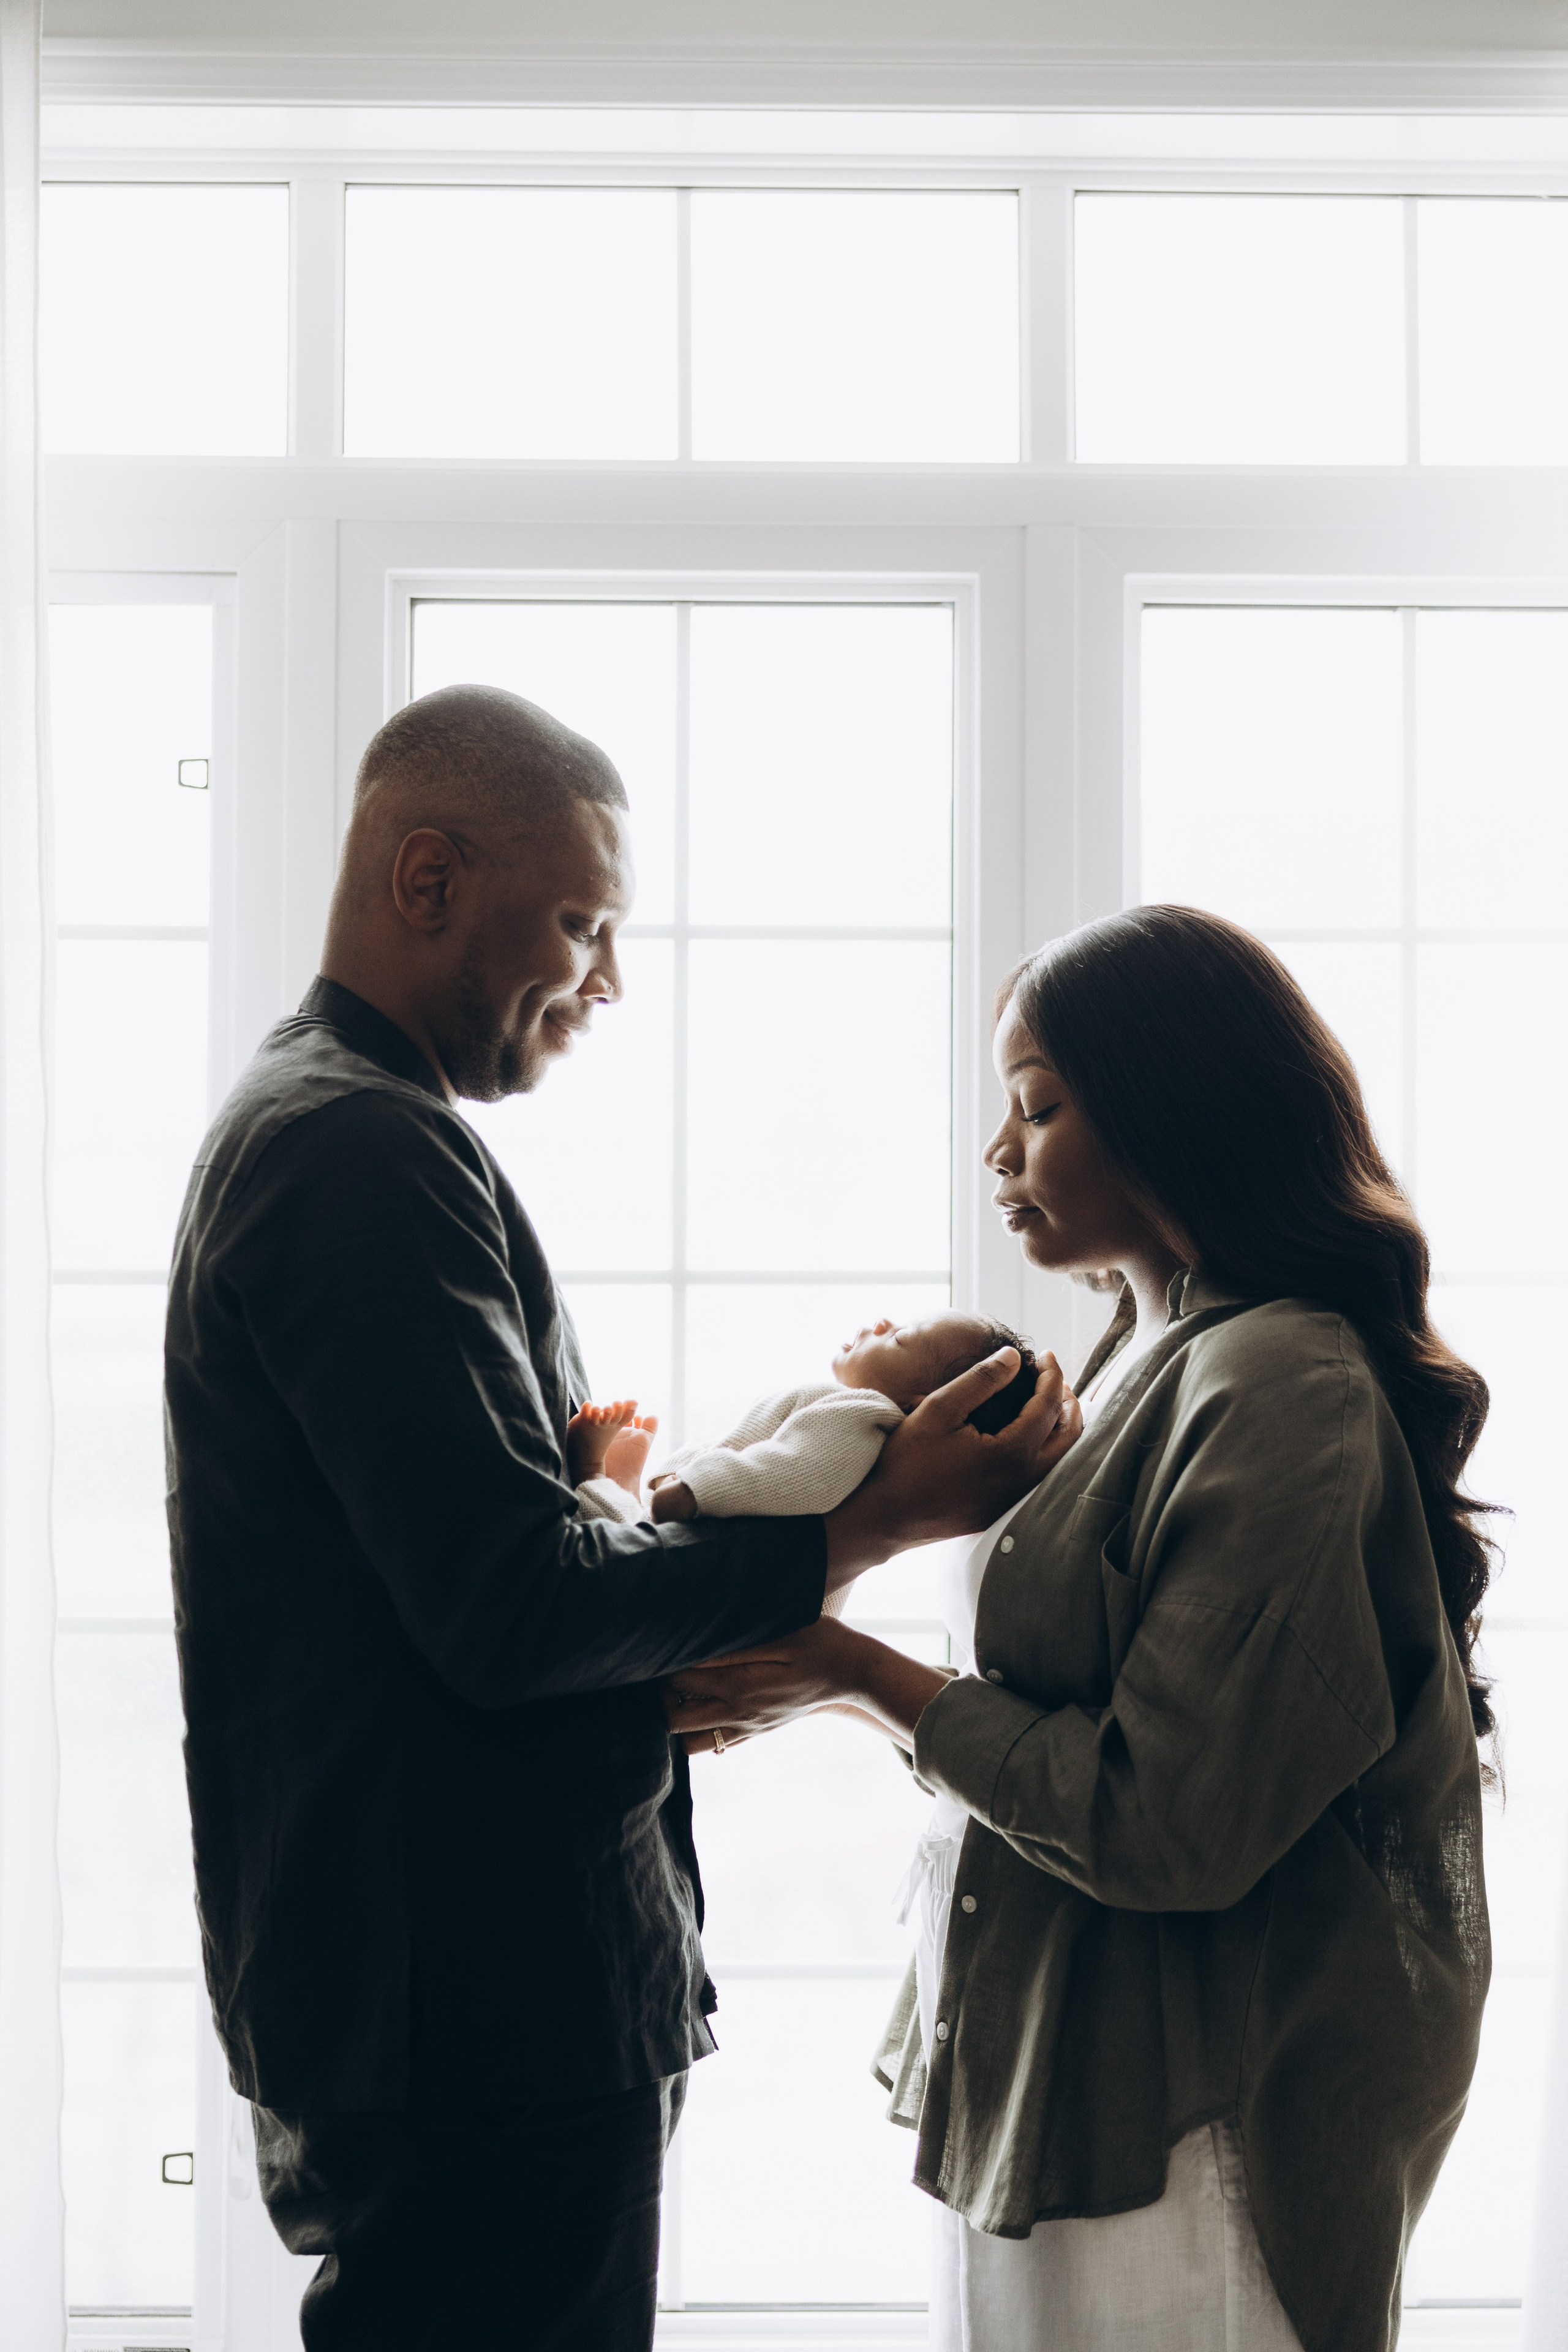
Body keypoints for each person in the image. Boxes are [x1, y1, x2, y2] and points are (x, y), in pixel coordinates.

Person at [163, 681, 1080, 2352]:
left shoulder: (339, 1130)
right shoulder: (358, 1150)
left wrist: (580, 1499)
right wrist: (871, 1520)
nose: (607, 978)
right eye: (583, 920)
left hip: (444, 2005)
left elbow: (440, 1586)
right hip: (478, 2016)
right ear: (427, 879)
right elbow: (510, 1609)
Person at [665, 905, 1494, 2352]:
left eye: (1037, 1104)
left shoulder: (1276, 1378)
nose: (997, 1151)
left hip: (1195, 2125)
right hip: (1078, 2084)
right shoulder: (1138, 1360)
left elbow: (1166, 1816)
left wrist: (854, 1675)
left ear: (1169, 1112)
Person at [648, 1311, 1039, 1524]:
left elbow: (793, 1473)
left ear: (920, 1403)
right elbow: (737, 1448)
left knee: (601, 1506)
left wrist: (692, 1491)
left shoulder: (863, 1416)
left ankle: (608, 1475)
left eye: (901, 1338)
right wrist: (681, 1471)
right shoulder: (848, 1413)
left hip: (705, 1550)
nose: (883, 1322)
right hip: (704, 1529)